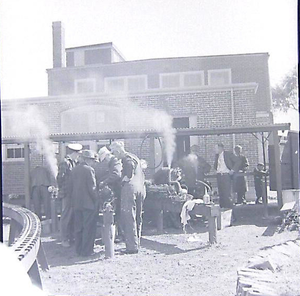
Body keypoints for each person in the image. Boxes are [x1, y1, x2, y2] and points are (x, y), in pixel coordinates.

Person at [110, 141, 145, 254]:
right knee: (138, 217)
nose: (115, 156)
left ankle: (131, 247)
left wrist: (121, 181)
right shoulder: (134, 157)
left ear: (119, 150)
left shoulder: (126, 159)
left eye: (114, 153)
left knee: (129, 217)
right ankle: (136, 242)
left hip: (130, 189)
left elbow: (128, 174)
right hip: (141, 188)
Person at [70, 150, 99, 257]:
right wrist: (96, 199)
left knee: (78, 228)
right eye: (92, 160)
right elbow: (92, 188)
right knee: (88, 228)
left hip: (77, 204)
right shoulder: (89, 170)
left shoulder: (74, 170)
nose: (92, 163)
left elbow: (70, 187)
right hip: (88, 204)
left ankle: (78, 250)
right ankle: (87, 251)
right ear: (87, 160)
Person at [56, 143, 82, 248]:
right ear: (74, 153)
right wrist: (64, 189)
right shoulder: (65, 163)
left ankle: (71, 237)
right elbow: (60, 178)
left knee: (72, 217)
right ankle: (64, 239)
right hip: (67, 194)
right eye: (78, 154)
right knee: (66, 216)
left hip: (73, 194)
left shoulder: (73, 162)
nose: (78, 156)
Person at [94, 146, 122, 240]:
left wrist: (104, 182)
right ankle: (115, 234)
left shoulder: (115, 162)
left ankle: (118, 234)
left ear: (106, 156)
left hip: (117, 191)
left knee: (116, 213)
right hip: (114, 191)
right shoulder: (111, 163)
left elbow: (116, 175)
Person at [214, 143, 235, 208]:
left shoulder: (228, 154)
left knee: (227, 193)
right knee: (221, 193)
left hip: (226, 175)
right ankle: (222, 208)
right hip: (219, 175)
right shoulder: (217, 156)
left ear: (221, 148)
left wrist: (233, 170)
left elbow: (238, 161)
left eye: (216, 148)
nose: (215, 150)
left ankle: (229, 208)